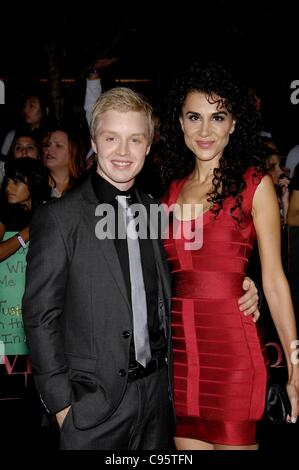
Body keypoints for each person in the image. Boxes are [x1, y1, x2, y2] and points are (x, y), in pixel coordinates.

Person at [22, 87, 260, 450]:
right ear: (94, 142)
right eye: (111, 138)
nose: (122, 151)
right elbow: (40, 316)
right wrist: (61, 405)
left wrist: (241, 284)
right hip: (92, 409)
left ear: (149, 145)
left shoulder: (158, 211)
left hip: (160, 402)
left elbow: (190, 272)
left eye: (135, 139)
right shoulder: (59, 219)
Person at [161, 62, 299, 450]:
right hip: (182, 356)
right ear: (181, 123)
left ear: (234, 124)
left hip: (233, 354)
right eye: (194, 117)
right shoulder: (167, 193)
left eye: (217, 117)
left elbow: (273, 279)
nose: (205, 130)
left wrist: (295, 365)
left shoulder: (255, 185)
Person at [0, 157, 51, 447]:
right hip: (4, 337)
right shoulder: (4, 216)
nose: (10, 186)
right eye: (8, 179)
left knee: (30, 417)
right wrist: (25, 236)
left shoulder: (48, 216)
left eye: (17, 181)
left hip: (33, 334)